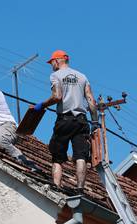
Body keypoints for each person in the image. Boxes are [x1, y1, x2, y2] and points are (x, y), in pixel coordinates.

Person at [32, 50, 99, 194]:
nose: (51, 66)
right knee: (81, 155)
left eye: (51, 63)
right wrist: (95, 121)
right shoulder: (82, 77)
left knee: (57, 155)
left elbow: (57, 96)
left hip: (65, 119)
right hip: (81, 120)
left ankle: (56, 185)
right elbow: (91, 101)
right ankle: (80, 188)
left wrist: (41, 105)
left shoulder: (55, 75)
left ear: (57, 61)